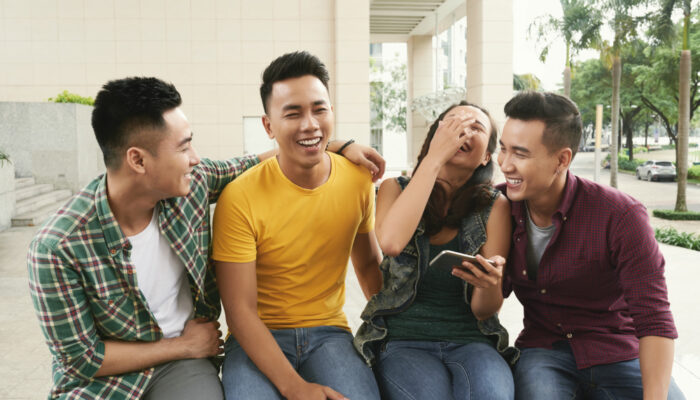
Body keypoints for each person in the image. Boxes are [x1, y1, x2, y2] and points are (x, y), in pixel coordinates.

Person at [27, 76, 385, 400]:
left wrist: (337, 145)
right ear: (138, 160)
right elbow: (82, 359)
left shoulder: (192, 184)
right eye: (183, 147)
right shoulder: (56, 248)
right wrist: (183, 346)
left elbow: (270, 158)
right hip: (103, 381)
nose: (195, 158)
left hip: (183, 371)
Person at [211, 51, 383, 400]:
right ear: (268, 126)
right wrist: (295, 387)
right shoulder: (239, 196)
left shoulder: (357, 180)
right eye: (293, 114)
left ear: (332, 112)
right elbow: (240, 312)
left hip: (329, 333)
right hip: (257, 336)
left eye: (319, 110)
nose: (310, 125)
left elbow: (367, 265)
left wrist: (392, 331)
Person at [496, 91, 685, 399]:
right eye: (502, 149)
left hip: (616, 349)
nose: (505, 165)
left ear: (562, 159)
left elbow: (654, 319)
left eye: (520, 154)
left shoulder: (620, 215)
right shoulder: (497, 208)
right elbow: (485, 300)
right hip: (543, 350)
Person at [354, 101, 519, 400]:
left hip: (472, 340)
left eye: (476, 127)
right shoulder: (395, 188)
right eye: (453, 123)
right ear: (435, 137)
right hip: (403, 340)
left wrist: (489, 284)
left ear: (485, 156)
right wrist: (434, 159)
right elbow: (391, 243)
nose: (463, 130)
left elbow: (485, 310)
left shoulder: (495, 206)